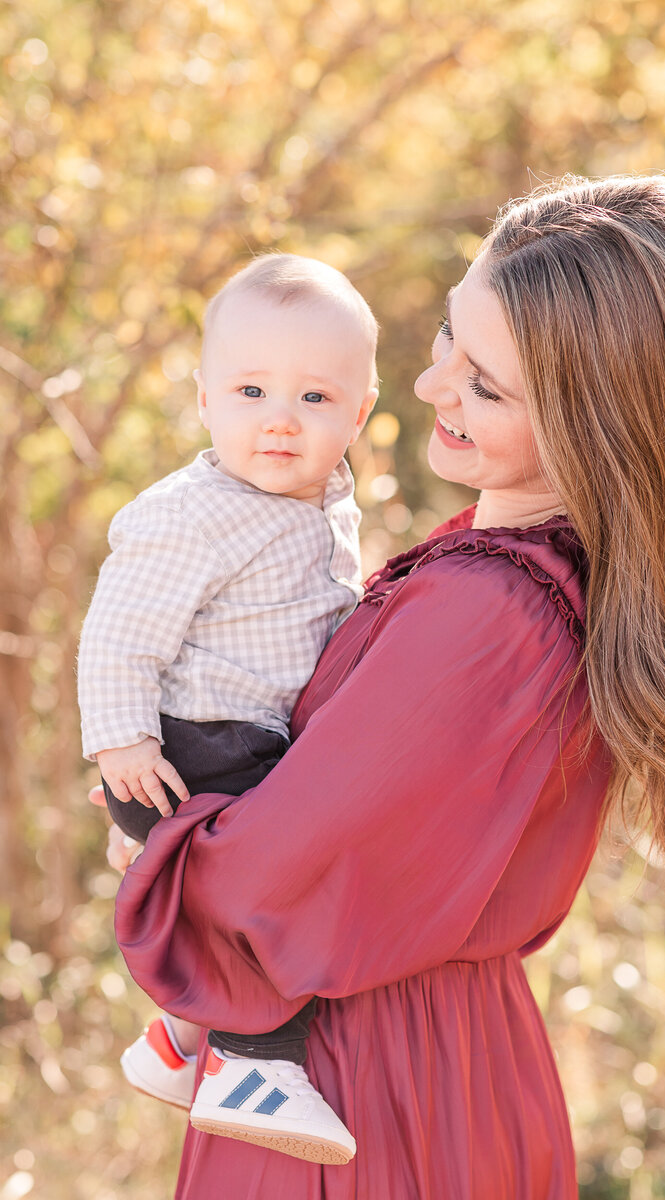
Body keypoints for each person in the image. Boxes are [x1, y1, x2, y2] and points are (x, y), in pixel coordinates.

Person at [102, 175, 665, 1199]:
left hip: (358, 1093)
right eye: (445, 340)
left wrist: (156, 849)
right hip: (432, 1070)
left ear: (596, 424)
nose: (432, 389)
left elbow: (266, 890)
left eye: (487, 386)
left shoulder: (487, 615)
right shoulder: (539, 565)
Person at [78, 252, 379, 1165]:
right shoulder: (193, 513)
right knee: (281, 889)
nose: (280, 420)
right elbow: (120, 630)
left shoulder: (321, 499)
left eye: (315, 400)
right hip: (189, 740)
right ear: (205, 400)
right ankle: (251, 1064)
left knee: (259, 886)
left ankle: (175, 1042)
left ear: (359, 415)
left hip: (246, 737)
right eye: (250, 391)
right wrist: (120, 743)